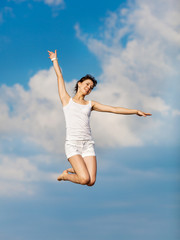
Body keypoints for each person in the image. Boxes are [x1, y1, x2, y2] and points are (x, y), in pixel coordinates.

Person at [48, 49, 152, 186]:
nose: (88, 88)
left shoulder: (90, 104)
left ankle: (79, 169)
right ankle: (65, 176)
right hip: (73, 145)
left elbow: (113, 109)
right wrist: (54, 60)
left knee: (91, 182)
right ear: (79, 83)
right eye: (87, 84)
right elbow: (59, 77)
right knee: (84, 179)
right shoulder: (66, 100)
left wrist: (135, 111)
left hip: (87, 145)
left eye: (91, 87)